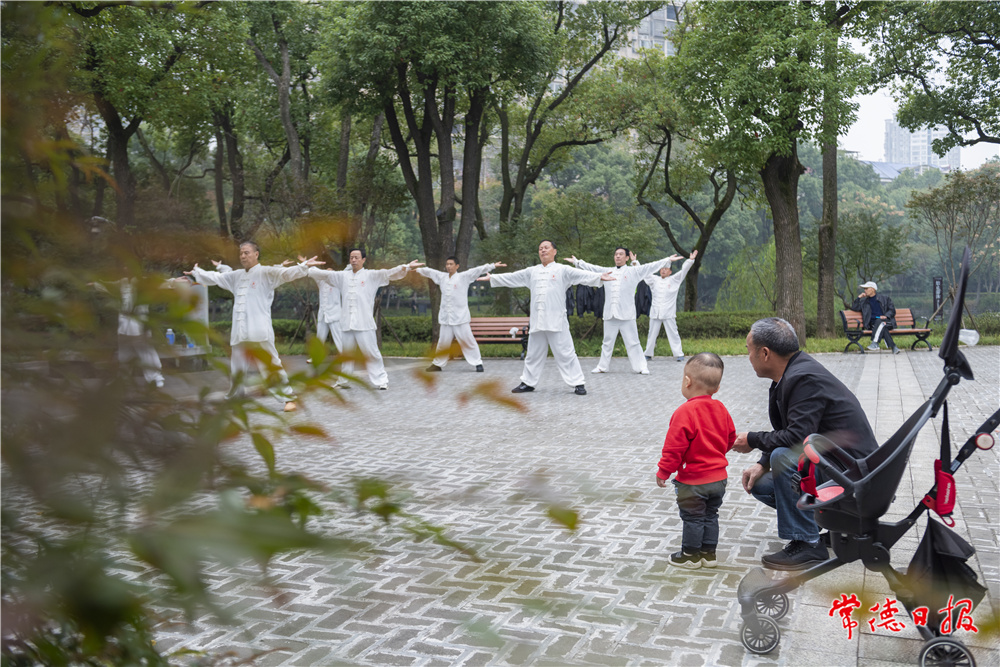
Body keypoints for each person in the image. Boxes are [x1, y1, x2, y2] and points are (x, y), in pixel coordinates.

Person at [733, 317, 878, 570]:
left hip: (856, 477)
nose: (747, 357)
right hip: (841, 467)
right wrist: (761, 463)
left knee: (783, 457)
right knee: (763, 483)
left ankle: (808, 544)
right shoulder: (793, 373)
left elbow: (796, 439)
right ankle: (837, 528)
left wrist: (752, 439)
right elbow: (791, 431)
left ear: (764, 353)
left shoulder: (803, 379)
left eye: (748, 350)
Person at [185, 242, 323, 411]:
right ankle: (235, 397)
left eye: (247, 253)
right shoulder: (235, 276)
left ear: (256, 254)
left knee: (271, 364)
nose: (243, 256)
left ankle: (288, 398)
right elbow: (216, 278)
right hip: (239, 331)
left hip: (259, 330)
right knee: (237, 367)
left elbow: (286, 273)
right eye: (241, 253)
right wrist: (197, 272)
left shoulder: (266, 272)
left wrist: (302, 267)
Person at [477, 240, 614, 395]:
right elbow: (513, 277)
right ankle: (528, 382)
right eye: (540, 248)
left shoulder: (563, 270)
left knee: (566, 353)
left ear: (554, 251)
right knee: (533, 354)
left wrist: (599, 277)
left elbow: (582, 275)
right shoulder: (532, 271)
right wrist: (493, 278)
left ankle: (578, 383)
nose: (543, 250)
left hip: (557, 320)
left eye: (546, 248)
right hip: (537, 320)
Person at [655, 353, 736, 569]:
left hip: (693, 481)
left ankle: (690, 555)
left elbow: (674, 448)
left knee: (693, 518)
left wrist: (664, 471)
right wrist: (718, 454)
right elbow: (730, 437)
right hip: (719, 479)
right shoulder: (722, 409)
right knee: (711, 514)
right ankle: (709, 555)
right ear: (716, 388)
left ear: (687, 381)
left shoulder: (685, 412)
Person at [308, 248, 423, 390]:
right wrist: (307, 267)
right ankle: (343, 380)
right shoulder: (342, 276)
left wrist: (405, 267)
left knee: (371, 352)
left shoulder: (371, 275)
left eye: (356, 257)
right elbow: (324, 275)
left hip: (364, 322)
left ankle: (381, 380)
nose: (354, 260)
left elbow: (388, 273)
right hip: (346, 322)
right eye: (351, 258)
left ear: (363, 260)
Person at [565, 248, 679, 374]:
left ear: (627, 258)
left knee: (633, 342)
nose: (618, 256)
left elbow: (650, 266)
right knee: (607, 342)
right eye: (616, 254)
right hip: (610, 314)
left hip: (627, 315)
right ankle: (602, 366)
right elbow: (592, 268)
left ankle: (641, 366)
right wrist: (577, 262)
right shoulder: (607, 271)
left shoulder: (634, 272)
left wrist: (667, 260)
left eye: (621, 254)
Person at [416, 256, 505, 373]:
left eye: (451, 264)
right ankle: (438, 364)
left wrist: (492, 266)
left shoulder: (464, 277)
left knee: (468, 340)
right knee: (443, 342)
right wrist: (414, 269)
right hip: (446, 318)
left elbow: (477, 270)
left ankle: (477, 362)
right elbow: (429, 272)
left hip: (460, 318)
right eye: (447, 264)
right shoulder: (442, 277)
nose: (448, 266)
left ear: (457, 266)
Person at [644, 251, 698, 362]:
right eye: (662, 268)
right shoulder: (654, 280)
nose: (663, 270)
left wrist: (690, 260)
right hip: (655, 312)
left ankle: (678, 354)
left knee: (673, 333)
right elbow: (643, 272)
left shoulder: (674, 280)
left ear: (670, 272)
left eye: (666, 269)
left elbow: (684, 271)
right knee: (652, 334)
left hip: (668, 312)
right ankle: (648, 353)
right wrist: (635, 262)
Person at [851, 281, 901, 354]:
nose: (865, 290)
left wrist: (886, 316)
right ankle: (893, 347)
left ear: (873, 289)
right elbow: (854, 307)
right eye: (864, 289)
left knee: (880, 322)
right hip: (873, 324)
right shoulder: (864, 302)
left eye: (866, 288)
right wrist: (859, 297)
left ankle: (875, 342)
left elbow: (892, 310)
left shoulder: (885, 299)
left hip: (887, 322)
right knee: (881, 325)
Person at [307, 263, 343, 359]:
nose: (327, 274)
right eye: (325, 272)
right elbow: (314, 272)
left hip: (334, 314)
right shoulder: (321, 282)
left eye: (329, 272)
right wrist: (308, 263)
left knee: (338, 337)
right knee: (320, 337)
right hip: (323, 314)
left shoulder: (338, 282)